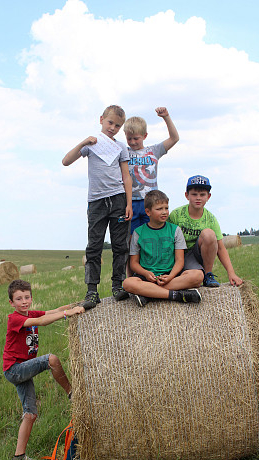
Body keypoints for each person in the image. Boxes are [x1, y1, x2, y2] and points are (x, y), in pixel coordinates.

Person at [3, 279, 85, 460]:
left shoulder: (30, 312)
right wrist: (68, 314)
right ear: (11, 302)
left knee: (30, 414)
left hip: (22, 368)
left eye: (27, 297)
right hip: (15, 369)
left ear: (31, 297)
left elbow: (53, 311)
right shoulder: (15, 319)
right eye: (18, 299)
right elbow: (42, 321)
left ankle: (19, 456)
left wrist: (76, 305)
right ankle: (72, 393)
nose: (23, 301)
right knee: (51, 359)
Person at [62, 105, 133, 308]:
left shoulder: (121, 147)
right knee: (94, 247)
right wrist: (84, 142)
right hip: (96, 202)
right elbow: (66, 161)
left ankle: (118, 286)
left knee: (120, 246)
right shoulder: (91, 144)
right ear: (101, 119)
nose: (113, 128)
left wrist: (129, 203)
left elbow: (126, 176)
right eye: (110, 123)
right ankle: (92, 291)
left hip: (118, 199)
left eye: (118, 126)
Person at [123, 190, 203, 307]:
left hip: (170, 276)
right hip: (148, 277)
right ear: (148, 212)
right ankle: (176, 295)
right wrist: (146, 274)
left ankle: (150, 293)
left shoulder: (175, 230)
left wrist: (170, 276)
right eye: (159, 209)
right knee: (127, 283)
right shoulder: (138, 233)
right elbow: (133, 264)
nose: (164, 212)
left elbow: (180, 261)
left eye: (166, 208)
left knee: (198, 276)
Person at [168, 175, 243, 287]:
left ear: (208, 196)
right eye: (194, 194)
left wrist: (231, 273)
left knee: (209, 234)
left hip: (195, 256)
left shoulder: (210, 219)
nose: (198, 198)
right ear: (186, 195)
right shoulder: (176, 215)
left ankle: (208, 274)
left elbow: (221, 248)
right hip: (177, 253)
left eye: (202, 195)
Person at [124, 107, 179, 235]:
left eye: (136, 138)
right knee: (131, 238)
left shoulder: (154, 151)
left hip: (150, 202)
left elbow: (174, 138)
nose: (132, 142)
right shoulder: (124, 152)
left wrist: (166, 117)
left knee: (150, 235)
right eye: (129, 138)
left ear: (145, 136)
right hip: (130, 202)